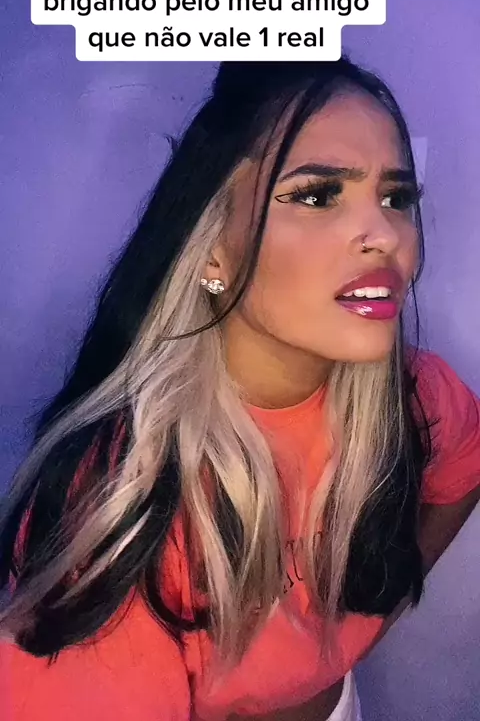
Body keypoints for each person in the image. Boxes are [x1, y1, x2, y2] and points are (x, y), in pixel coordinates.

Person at [1, 59, 479, 721]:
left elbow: (463, 468)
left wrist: (353, 636)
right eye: (319, 195)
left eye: (396, 198)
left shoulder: (416, 394)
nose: (385, 235)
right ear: (213, 249)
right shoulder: (116, 522)